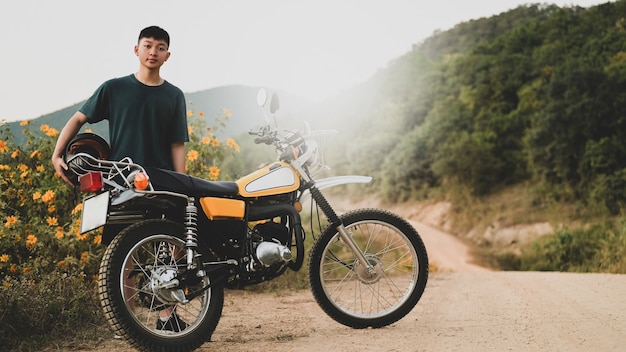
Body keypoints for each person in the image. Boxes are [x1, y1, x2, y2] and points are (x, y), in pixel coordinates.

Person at [51, 25, 189, 332]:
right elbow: (78, 118)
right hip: (120, 181)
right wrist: (57, 154)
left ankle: (167, 317)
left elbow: (177, 144)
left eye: (160, 47)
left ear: (168, 55)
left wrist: (183, 183)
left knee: (170, 248)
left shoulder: (174, 96)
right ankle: (126, 324)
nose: (153, 52)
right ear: (136, 49)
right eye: (148, 45)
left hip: (163, 182)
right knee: (121, 254)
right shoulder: (113, 89)